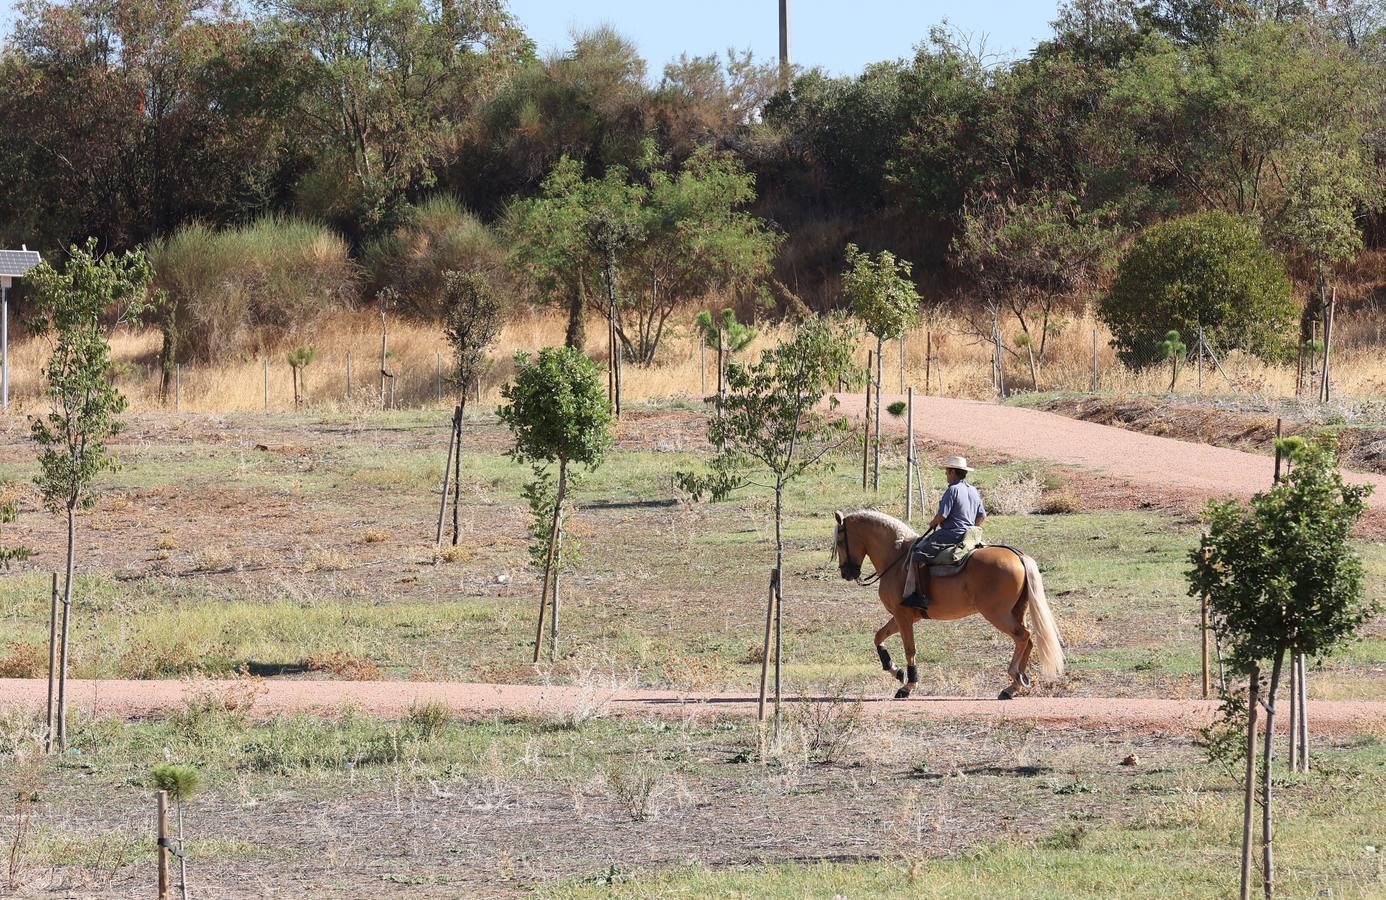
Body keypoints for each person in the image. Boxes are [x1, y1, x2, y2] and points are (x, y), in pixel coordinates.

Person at [901, 455, 987, 610]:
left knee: (918, 554)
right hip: (969, 535)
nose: (946, 474)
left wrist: (934, 522)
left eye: (947, 471)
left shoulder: (952, 490)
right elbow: (982, 516)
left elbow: (942, 515)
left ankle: (921, 597)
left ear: (953, 472)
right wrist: (971, 527)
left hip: (950, 534)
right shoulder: (973, 491)